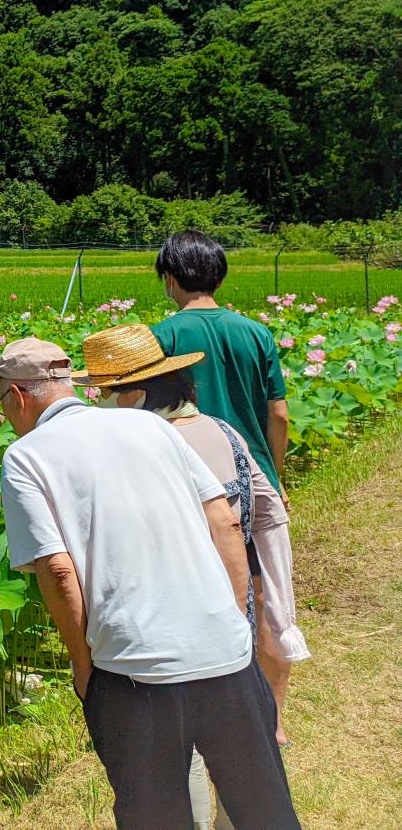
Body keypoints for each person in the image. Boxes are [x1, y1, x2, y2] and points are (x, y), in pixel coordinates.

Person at [0, 336, 300, 830]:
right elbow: (225, 523)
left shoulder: (26, 457)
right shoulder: (150, 426)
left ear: (18, 396)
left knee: (156, 818)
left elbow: (58, 570)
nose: (3, 416)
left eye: (0, 404)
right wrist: (235, 621)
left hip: (134, 670)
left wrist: (83, 666)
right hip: (226, 653)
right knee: (265, 811)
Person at [74, 323, 311, 830]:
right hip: (237, 614)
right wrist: (271, 609)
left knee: (183, 759)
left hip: (171, 623)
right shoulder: (225, 432)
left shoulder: (143, 448)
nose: (99, 406)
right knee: (246, 761)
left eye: (105, 394)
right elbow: (268, 511)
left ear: (134, 395)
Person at [152, 229, 301, 739]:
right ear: (220, 275)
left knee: (205, 597)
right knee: (268, 596)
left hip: (188, 484)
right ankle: (273, 719)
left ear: (169, 279)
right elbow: (277, 412)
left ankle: (209, 717)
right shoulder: (255, 333)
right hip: (254, 477)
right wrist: (273, 473)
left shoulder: (162, 336)